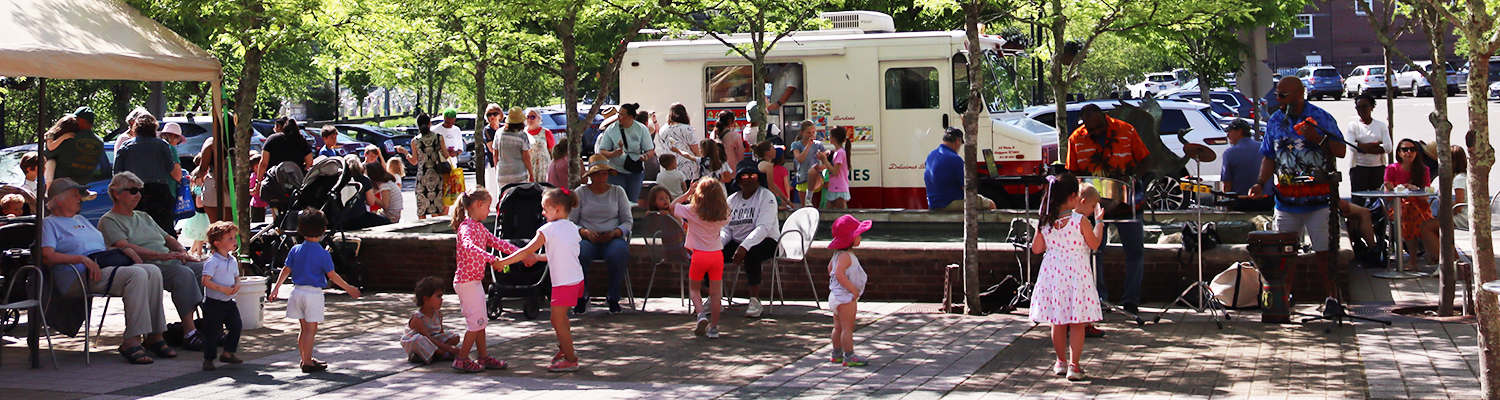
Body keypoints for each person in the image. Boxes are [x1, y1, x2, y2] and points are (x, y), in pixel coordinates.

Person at [41, 178, 167, 364]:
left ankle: (155, 335)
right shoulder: (49, 224)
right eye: (75, 195)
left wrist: (122, 250)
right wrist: (81, 259)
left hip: (100, 270)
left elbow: (98, 248)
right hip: (78, 277)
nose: (80, 198)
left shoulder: (81, 219)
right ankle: (131, 340)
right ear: (59, 199)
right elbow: (47, 256)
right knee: (137, 274)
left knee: (151, 270)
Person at [1247, 76, 1347, 308]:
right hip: (1286, 202)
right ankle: (1283, 299)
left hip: (1319, 201)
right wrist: (1261, 182)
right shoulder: (1274, 121)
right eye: (1277, 94)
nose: (1278, 99)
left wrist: (1318, 138)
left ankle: (1332, 299)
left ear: (1299, 94)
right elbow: (1269, 157)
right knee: (1283, 256)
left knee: (1325, 254)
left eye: (1283, 95)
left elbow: (1341, 150)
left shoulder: (1321, 118)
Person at [98, 171, 207, 350]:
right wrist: (161, 256)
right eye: (133, 191)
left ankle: (210, 324)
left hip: (166, 260)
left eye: (140, 191)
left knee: (205, 268)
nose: (139, 195)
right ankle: (189, 331)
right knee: (184, 274)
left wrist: (181, 250)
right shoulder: (109, 220)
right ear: (116, 193)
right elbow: (125, 247)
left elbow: (167, 238)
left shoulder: (143, 216)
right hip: (144, 266)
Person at [1065, 103, 1149, 323]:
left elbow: (1146, 160)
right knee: (1094, 252)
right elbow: (1073, 172)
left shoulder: (1126, 130)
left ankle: (1131, 301)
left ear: (1105, 118)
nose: (1094, 134)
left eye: (1098, 129)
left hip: (1125, 202)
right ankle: (1098, 299)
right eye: (1090, 131)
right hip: (1093, 205)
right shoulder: (1076, 139)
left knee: (1134, 252)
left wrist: (1134, 179)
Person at [491, 188, 587, 372]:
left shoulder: (547, 229)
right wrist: (538, 258)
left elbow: (525, 250)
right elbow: (561, 253)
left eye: (545, 209)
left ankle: (571, 359)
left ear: (557, 209)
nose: (542, 213)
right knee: (562, 318)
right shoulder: (573, 228)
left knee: (556, 320)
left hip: (563, 284)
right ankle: (565, 347)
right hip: (576, 280)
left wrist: (503, 262)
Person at [1029, 173, 1105, 381]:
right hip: (1076, 273)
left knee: (1058, 321)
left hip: (1053, 274)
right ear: (1073, 197)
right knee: (1077, 322)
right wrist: (1099, 222)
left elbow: (1037, 249)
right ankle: (1075, 365)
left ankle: (1060, 361)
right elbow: (1094, 244)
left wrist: (1041, 229)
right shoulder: (1080, 221)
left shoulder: (1046, 221)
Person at [270, 208, 363, 373]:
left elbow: (285, 270)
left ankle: (304, 357)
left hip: (296, 291)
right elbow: (332, 276)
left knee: (303, 329)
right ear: (322, 230)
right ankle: (307, 361)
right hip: (313, 294)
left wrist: (275, 288)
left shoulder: (295, 249)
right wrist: (349, 288)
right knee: (311, 330)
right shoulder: (322, 253)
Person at [447, 187, 522, 372]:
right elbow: (469, 246)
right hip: (467, 283)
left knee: (480, 321)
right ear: (478, 204)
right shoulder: (466, 228)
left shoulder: (479, 227)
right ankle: (462, 359)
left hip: (474, 282)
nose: (489, 211)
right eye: (488, 207)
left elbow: (499, 243)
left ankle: (483, 356)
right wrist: (492, 258)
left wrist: (523, 253)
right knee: (475, 323)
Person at [570, 155, 634, 314]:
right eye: (598, 173)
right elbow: (570, 222)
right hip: (587, 237)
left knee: (619, 254)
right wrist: (585, 232)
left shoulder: (618, 192)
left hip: (612, 236)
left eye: (604, 173)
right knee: (579, 254)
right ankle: (581, 296)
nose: (601, 177)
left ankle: (613, 296)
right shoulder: (581, 192)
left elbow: (627, 221)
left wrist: (616, 233)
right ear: (591, 175)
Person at [673, 177, 731, 338]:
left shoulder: (692, 211)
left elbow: (672, 207)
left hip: (698, 255)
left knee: (694, 289)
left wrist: (688, 192)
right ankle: (714, 327)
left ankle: (701, 315)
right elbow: (727, 213)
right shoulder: (724, 214)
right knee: (715, 294)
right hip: (717, 255)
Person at [722, 166, 779, 318]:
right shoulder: (732, 200)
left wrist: (744, 247)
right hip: (738, 241)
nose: (749, 179)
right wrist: (718, 244)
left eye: (753, 175)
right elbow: (726, 228)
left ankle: (755, 299)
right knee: (712, 252)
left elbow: (763, 228)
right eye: (744, 176)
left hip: (767, 241)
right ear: (738, 180)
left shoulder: (767, 197)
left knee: (752, 254)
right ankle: (712, 297)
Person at [114, 115, 183, 234]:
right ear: (154, 129)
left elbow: (117, 173)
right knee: (163, 230)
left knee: (136, 230)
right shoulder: (162, 145)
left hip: (135, 192)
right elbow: (171, 168)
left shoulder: (126, 146)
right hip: (159, 192)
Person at [1385, 139, 1440, 268]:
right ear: (1398, 153)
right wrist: (1394, 189)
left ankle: (1414, 260)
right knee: (1410, 211)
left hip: (1420, 208)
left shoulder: (1423, 170)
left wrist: (1414, 189)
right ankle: (1429, 253)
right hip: (1398, 208)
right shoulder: (1391, 169)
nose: (1409, 152)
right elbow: (1387, 197)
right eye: (1405, 149)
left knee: (1412, 212)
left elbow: (1425, 198)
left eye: (1412, 150)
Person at [198, 221, 245, 371]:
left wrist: (237, 284)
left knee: (236, 326)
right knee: (212, 331)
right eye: (230, 238)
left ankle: (228, 352)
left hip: (228, 301)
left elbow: (237, 276)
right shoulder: (213, 262)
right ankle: (209, 358)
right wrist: (222, 289)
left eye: (234, 237)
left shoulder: (232, 260)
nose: (234, 241)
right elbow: (206, 281)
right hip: (214, 303)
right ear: (217, 243)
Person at [826, 214, 871, 367]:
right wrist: (852, 288)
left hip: (836, 296)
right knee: (847, 328)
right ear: (850, 238)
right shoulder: (846, 256)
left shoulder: (838, 254)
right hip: (845, 297)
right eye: (858, 235)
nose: (860, 237)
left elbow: (830, 269)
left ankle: (836, 353)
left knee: (837, 327)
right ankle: (849, 355)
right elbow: (838, 274)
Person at [594, 103, 655, 202]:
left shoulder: (641, 129)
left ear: (630, 117)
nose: (619, 117)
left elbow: (650, 151)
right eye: (618, 114)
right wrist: (613, 154)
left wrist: (646, 156)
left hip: (635, 170)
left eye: (621, 115)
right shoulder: (611, 129)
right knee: (617, 200)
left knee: (632, 200)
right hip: (616, 171)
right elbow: (602, 151)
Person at [924, 129, 994, 211]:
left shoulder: (931, 155)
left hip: (933, 203)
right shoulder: (955, 159)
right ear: (957, 141)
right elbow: (966, 187)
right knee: (990, 204)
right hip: (949, 203)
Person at [402, 276, 461, 365]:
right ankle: (443, 354)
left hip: (433, 340)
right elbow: (427, 338)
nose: (441, 299)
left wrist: (447, 344)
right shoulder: (418, 319)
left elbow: (441, 334)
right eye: (438, 296)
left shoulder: (438, 314)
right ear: (426, 299)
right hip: (420, 342)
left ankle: (431, 355)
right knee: (419, 339)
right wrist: (447, 348)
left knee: (454, 336)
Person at [43, 107, 105, 185]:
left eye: (76, 120)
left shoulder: (70, 137)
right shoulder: (100, 142)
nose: (73, 122)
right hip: (82, 187)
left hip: (62, 187)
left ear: (81, 121)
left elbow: (47, 155)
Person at [1220, 119, 1272, 211]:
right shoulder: (1264, 149)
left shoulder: (1230, 153)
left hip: (1242, 202)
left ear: (1239, 132)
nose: (1227, 135)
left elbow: (1227, 184)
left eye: (1230, 132)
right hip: (1267, 201)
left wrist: (1227, 204)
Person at [1347, 94, 1391, 195]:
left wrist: (1362, 147)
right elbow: (1352, 147)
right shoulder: (1353, 126)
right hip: (1358, 169)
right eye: (1359, 107)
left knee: (1377, 200)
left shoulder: (1381, 125)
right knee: (1358, 199)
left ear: (1372, 107)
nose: (1362, 109)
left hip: (1378, 169)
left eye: (1365, 106)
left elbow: (1388, 147)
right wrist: (1376, 144)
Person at [338, 156, 391, 230]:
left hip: (340, 220)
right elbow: (371, 202)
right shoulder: (364, 179)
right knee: (386, 221)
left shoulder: (338, 180)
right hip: (359, 218)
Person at [411, 114, 448, 219]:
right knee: (437, 207)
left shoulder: (415, 141)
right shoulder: (438, 137)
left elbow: (414, 161)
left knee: (422, 209)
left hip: (422, 176)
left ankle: (423, 231)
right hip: (437, 174)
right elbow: (446, 155)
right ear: (429, 123)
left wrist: (405, 153)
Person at [490, 106, 534, 189]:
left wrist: (497, 169)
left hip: (502, 172)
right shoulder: (522, 136)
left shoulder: (499, 133)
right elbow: (526, 157)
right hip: (518, 173)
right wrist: (531, 174)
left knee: (503, 197)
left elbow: (495, 154)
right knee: (519, 198)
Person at [657, 104, 703, 181]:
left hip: (668, 169)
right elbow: (695, 151)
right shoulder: (687, 129)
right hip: (688, 170)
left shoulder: (663, 129)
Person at [790, 121, 828, 207]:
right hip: (802, 178)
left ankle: (809, 197)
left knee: (812, 170)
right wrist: (808, 145)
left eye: (813, 132)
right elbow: (800, 159)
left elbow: (827, 161)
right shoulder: (796, 145)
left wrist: (821, 167)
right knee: (805, 208)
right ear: (801, 133)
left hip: (815, 178)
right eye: (808, 133)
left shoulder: (818, 144)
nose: (811, 135)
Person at [823, 127, 852, 209]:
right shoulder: (838, 152)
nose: (829, 137)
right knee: (828, 214)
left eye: (830, 136)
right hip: (834, 187)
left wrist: (824, 160)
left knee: (841, 214)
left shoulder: (840, 153)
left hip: (839, 188)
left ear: (834, 138)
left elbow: (835, 171)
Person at [525, 108, 553, 186]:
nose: (530, 119)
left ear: (539, 118)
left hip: (543, 167)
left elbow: (552, 152)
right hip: (529, 168)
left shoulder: (546, 132)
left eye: (533, 117)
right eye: (528, 117)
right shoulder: (523, 133)